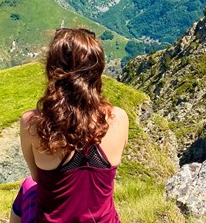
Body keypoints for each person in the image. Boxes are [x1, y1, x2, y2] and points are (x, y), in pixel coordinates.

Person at [11, 28, 129, 223]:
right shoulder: (119, 118)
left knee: (27, 186)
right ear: (97, 71)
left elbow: (37, 178)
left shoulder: (31, 123)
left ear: (52, 71)